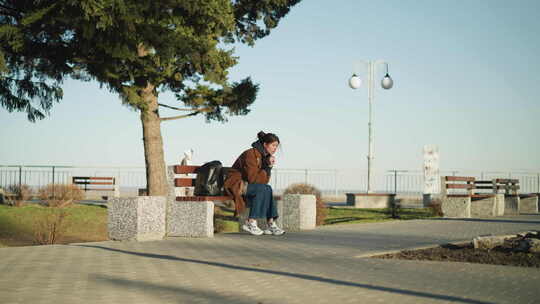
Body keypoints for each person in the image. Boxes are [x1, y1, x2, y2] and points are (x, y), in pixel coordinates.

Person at [224, 131, 285, 236]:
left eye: (276, 146)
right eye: (273, 145)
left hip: (247, 184)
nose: (275, 149)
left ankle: (271, 223)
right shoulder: (251, 154)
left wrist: (268, 167)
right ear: (265, 144)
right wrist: (267, 167)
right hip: (236, 184)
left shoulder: (264, 157)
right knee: (263, 189)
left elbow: (263, 182)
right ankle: (250, 222)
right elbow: (253, 179)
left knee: (267, 188)